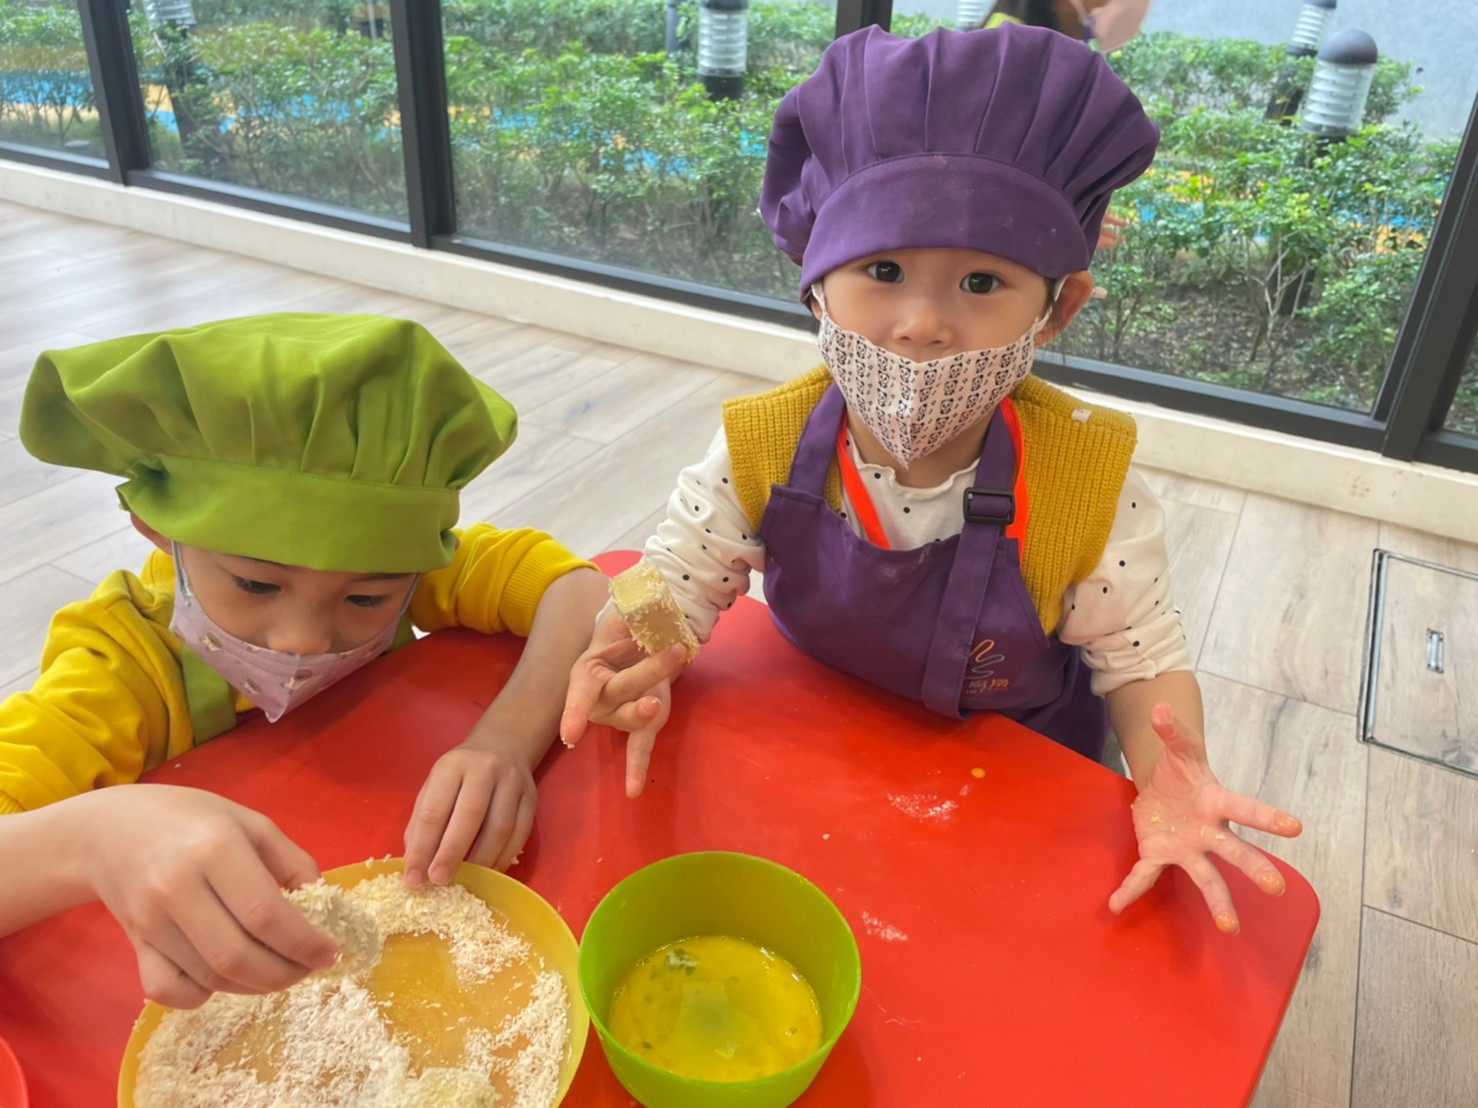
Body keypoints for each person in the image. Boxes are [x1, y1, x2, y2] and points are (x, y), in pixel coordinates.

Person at [562, 25, 1302, 935]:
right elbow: (676, 575)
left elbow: (1142, 664)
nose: (922, 324)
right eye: (883, 272)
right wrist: (639, 651)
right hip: (818, 739)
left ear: (1058, 309)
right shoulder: (764, 439)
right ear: (815, 285)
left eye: (981, 283)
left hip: (1012, 781)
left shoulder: (1084, 484)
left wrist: (1171, 776)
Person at [0, 313, 664, 1008]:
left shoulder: (400, 567)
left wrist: (505, 742)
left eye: (365, 599)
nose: (304, 639)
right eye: (256, 585)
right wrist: (93, 841)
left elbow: (581, 591)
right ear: (158, 530)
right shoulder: (118, 664)